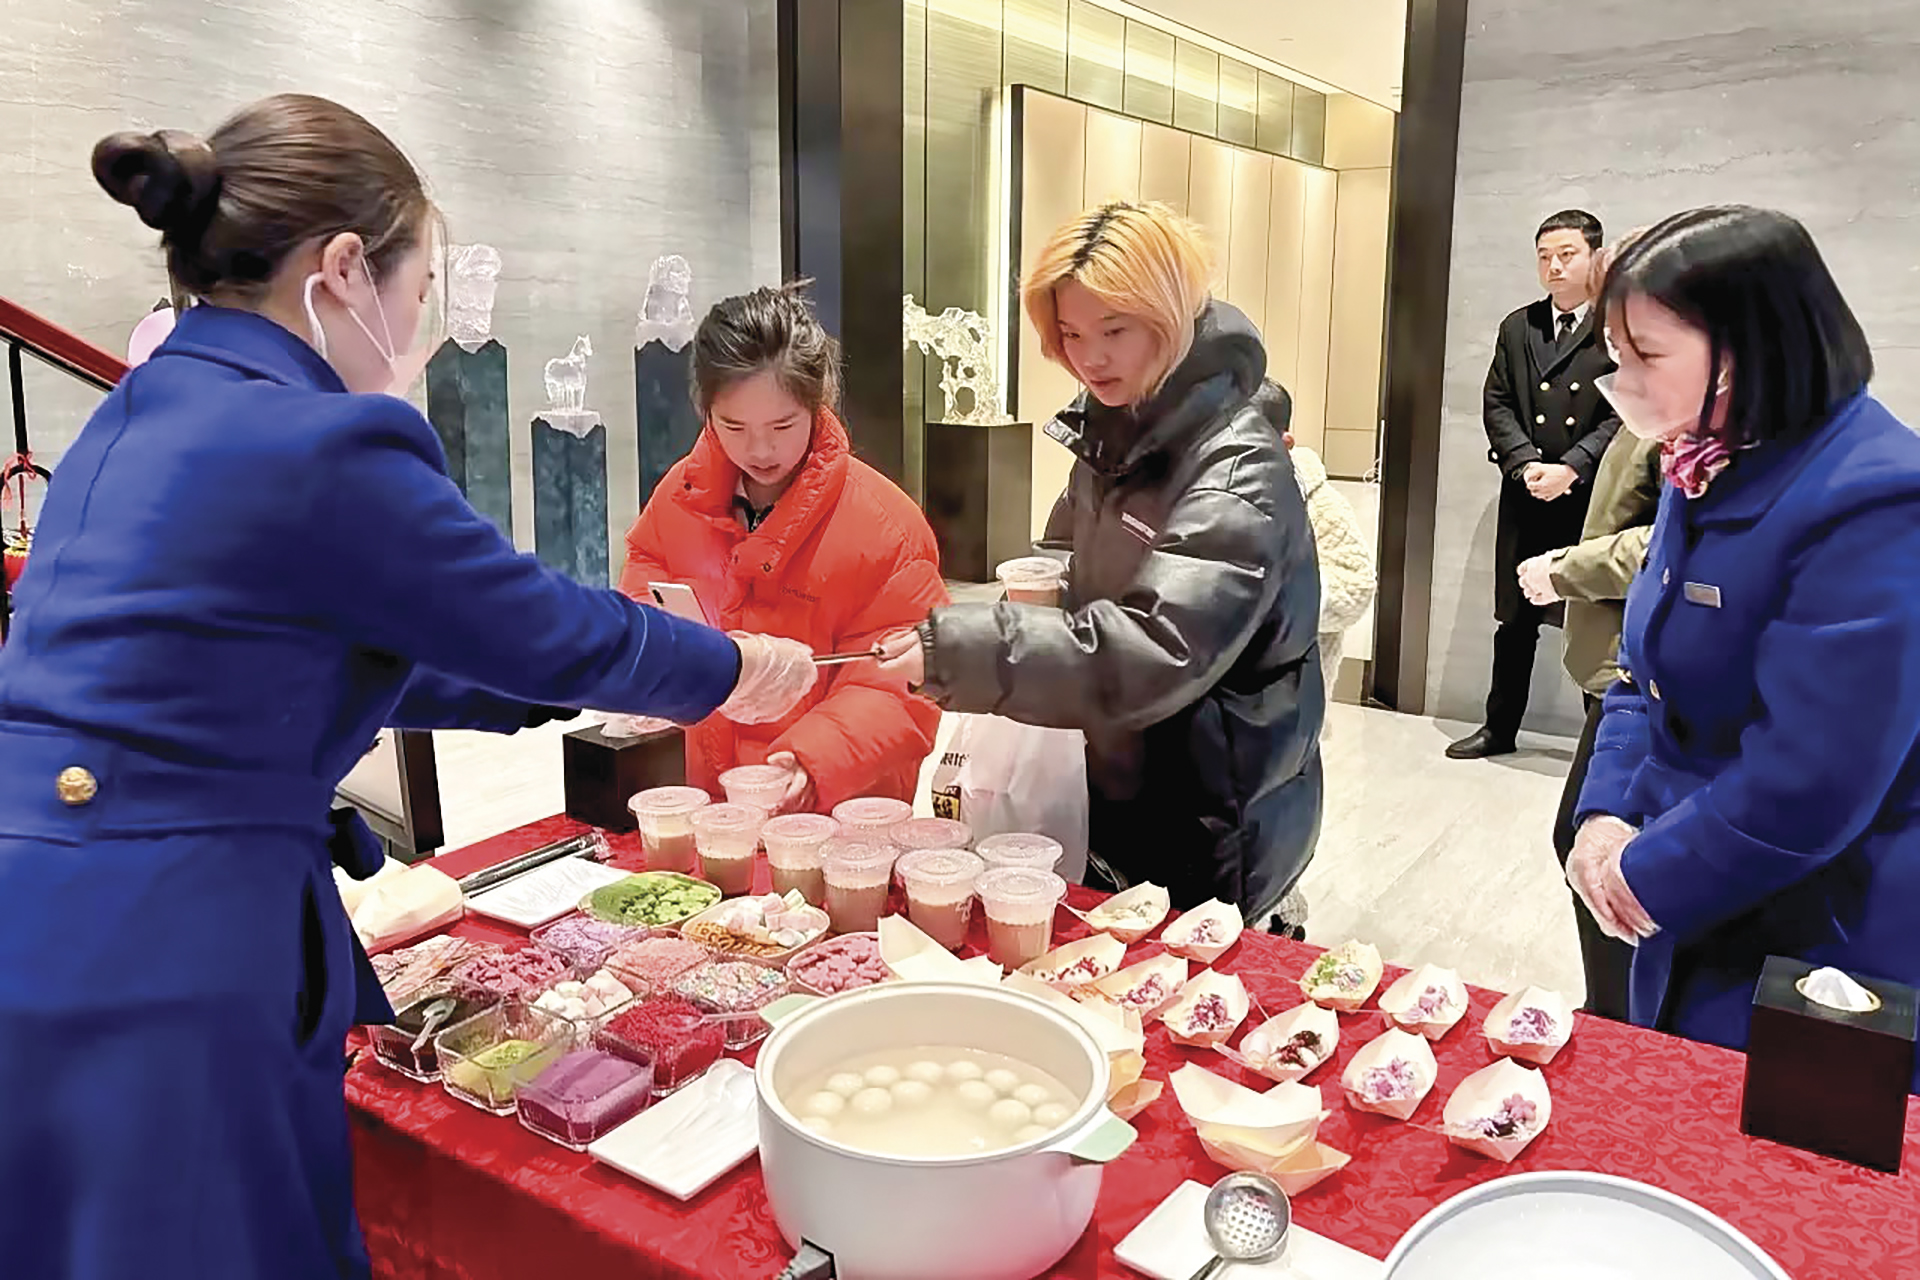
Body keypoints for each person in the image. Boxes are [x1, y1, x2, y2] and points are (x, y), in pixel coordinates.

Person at [0, 95, 816, 1280]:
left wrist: (547, 690)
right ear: (343, 270)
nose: (421, 333)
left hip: (46, 911)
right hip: (174, 939)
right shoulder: (313, 437)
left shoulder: (141, 409)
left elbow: (326, 654)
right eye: (421, 290)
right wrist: (725, 667)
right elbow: (527, 617)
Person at [878, 201, 1323, 927]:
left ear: (1171, 316)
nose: (1090, 357)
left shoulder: (1236, 467)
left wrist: (962, 648)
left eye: (1115, 331)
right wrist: (1035, 595)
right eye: (1072, 334)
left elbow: (1154, 648)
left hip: (1209, 812)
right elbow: (1071, 558)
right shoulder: (1116, 429)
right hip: (1118, 785)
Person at [1566, 205, 1920, 1089]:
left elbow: (1815, 776)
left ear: (1746, 350)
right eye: (1615, 354)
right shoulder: (1708, 456)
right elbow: (1645, 671)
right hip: (1695, 878)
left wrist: (1648, 873)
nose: (1621, 381)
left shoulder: (1875, 500)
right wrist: (1606, 812)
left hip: (1817, 916)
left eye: (1645, 356)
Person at [619, 284, 946, 812]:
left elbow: (900, 684)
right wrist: (650, 667)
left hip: (837, 817)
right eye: (733, 426)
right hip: (714, 810)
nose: (760, 449)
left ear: (817, 403)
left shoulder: (887, 528)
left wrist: (812, 761)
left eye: (782, 425)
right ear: (706, 411)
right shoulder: (681, 495)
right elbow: (645, 575)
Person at [1448, 210, 1621, 760]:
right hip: (1527, 494)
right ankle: (1499, 728)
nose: (1554, 266)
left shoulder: (1616, 326)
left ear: (1595, 256)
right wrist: (1524, 465)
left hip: (1590, 499)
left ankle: (1601, 747)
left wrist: (1573, 466)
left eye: (1567, 254)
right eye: (1545, 256)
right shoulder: (1518, 327)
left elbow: (1624, 413)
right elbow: (1497, 402)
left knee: (1592, 620)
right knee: (1515, 621)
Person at [1252, 381, 1376, 710]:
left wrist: (1272, 599)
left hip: (1291, 686)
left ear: (1284, 443)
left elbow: (1356, 586)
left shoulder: (1318, 503)